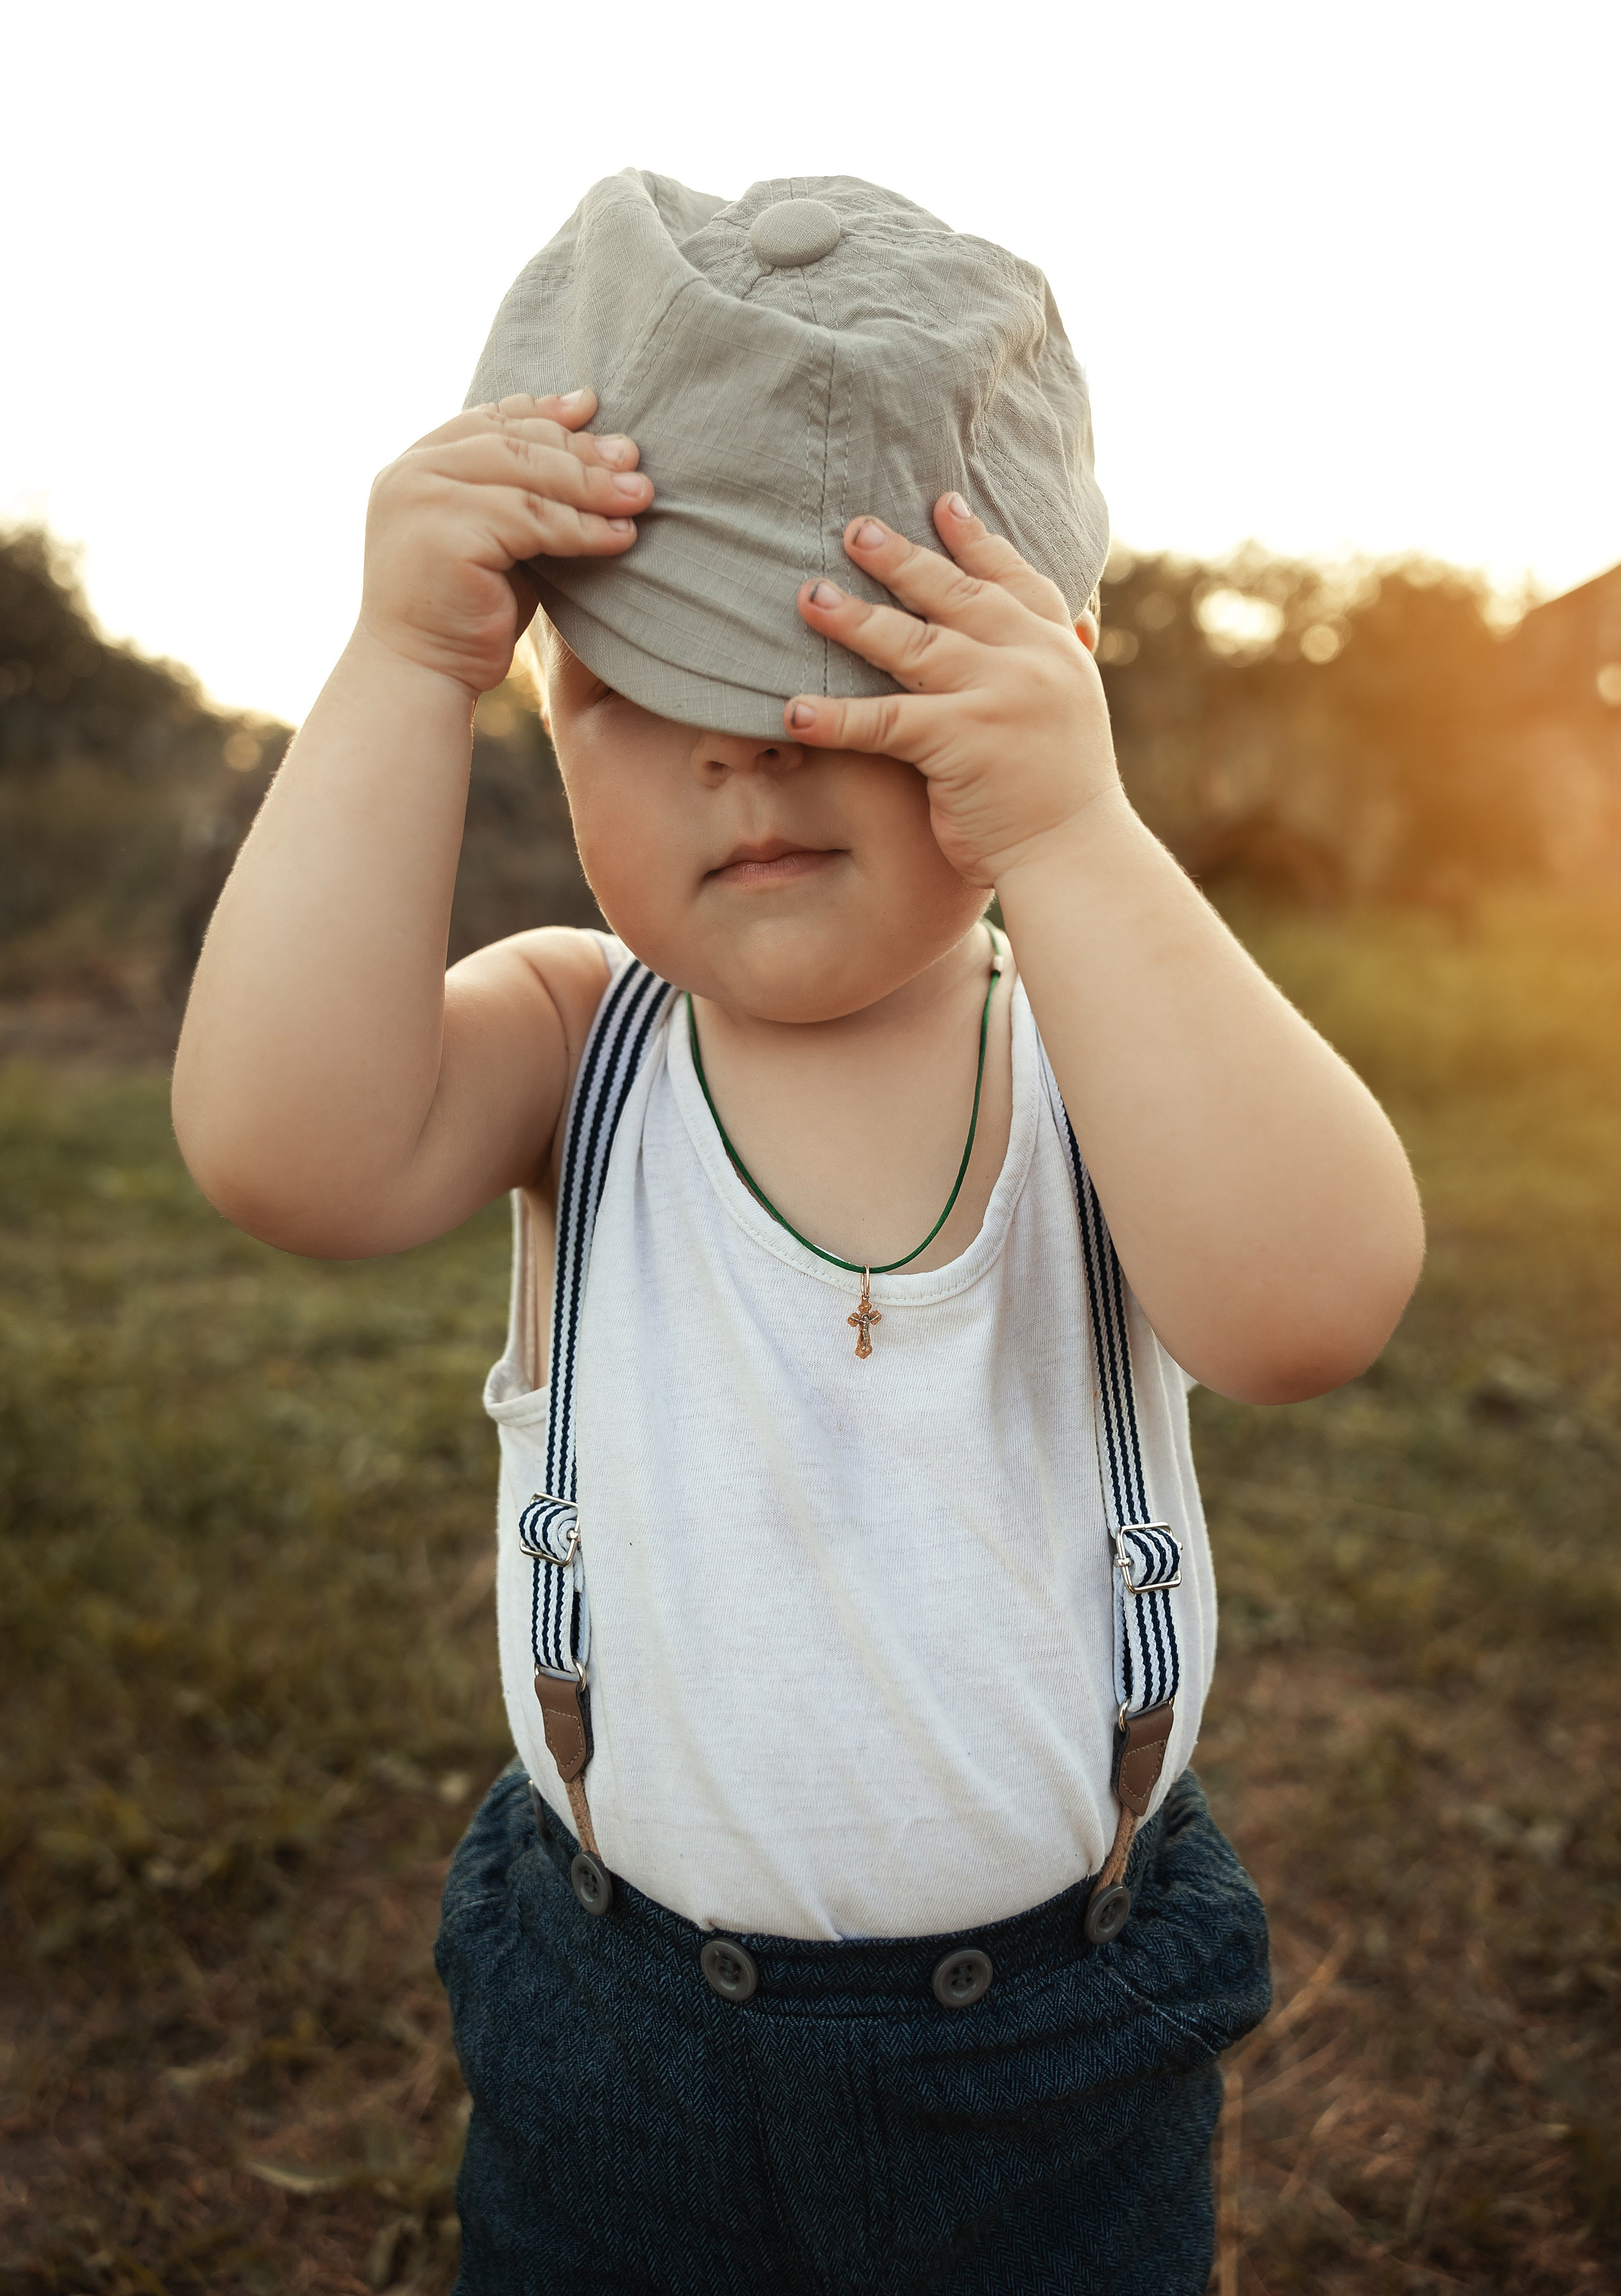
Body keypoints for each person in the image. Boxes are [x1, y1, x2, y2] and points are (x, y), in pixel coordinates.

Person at [170, 172, 1425, 2293]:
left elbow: (1310, 1303)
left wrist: (1080, 839)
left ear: (1048, 676)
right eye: (639, 685)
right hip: (618, 2023)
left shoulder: (1104, 1062)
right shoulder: (578, 1035)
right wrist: (399, 664)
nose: (744, 752)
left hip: (1048, 2050)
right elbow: (289, 1148)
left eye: (847, 671)